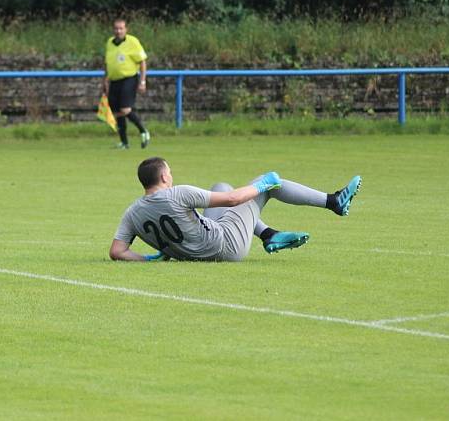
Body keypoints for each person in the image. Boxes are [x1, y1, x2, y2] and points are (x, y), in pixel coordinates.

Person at [109, 157, 361, 262]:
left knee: (220, 185)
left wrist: (150, 258)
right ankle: (333, 201)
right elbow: (232, 200)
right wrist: (263, 184)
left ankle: (268, 234)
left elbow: (117, 251)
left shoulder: (132, 212)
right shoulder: (177, 193)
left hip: (198, 250)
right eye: (170, 172)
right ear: (164, 176)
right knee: (268, 184)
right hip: (225, 246)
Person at [101, 19, 150, 149]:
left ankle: (143, 131)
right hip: (114, 81)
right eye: (116, 28)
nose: (118, 31)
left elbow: (142, 62)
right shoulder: (109, 43)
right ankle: (124, 142)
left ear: (126, 29)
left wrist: (143, 81)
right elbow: (107, 63)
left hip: (129, 78)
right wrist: (105, 80)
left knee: (125, 109)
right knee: (116, 111)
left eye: (121, 28)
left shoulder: (132, 42)